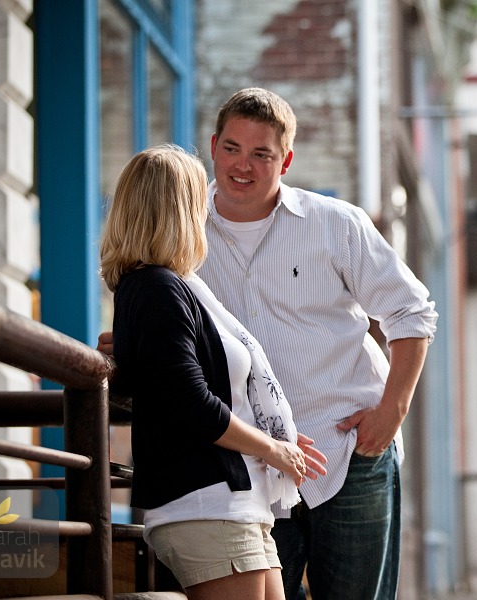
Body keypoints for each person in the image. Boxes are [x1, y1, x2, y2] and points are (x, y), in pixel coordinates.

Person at [99, 88, 438, 600]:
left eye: (262, 153)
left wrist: (392, 409)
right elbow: (166, 340)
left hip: (349, 451)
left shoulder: (335, 224)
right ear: (213, 147)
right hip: (250, 468)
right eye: (233, 148)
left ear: (287, 159)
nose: (243, 165)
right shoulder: (182, 232)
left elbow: (412, 311)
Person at [99, 143, 327, 600]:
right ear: (179, 210)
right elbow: (190, 403)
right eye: (198, 200)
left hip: (235, 506)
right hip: (205, 506)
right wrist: (272, 448)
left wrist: (274, 437)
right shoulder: (156, 289)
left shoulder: (176, 287)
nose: (207, 210)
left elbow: (211, 386)